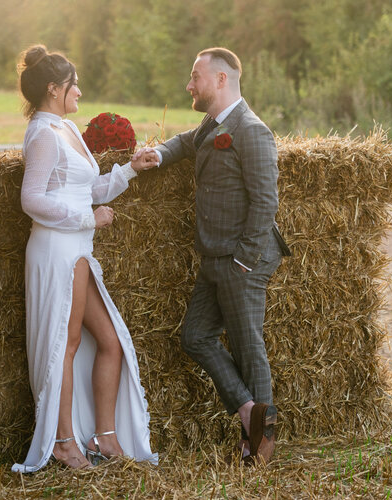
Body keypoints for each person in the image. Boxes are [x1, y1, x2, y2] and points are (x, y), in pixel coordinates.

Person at [135, 47, 290, 465]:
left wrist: (244, 259)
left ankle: (262, 443)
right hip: (214, 256)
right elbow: (186, 142)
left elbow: (265, 202)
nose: (189, 85)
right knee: (195, 337)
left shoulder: (252, 130)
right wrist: (160, 154)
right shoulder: (213, 124)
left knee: (247, 346)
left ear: (221, 80)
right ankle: (249, 411)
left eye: (195, 77)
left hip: (241, 259)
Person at [11, 45, 160, 473]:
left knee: (109, 341)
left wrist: (130, 169)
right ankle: (61, 442)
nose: (80, 89)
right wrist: (87, 219)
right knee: (68, 344)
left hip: (77, 249)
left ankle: (105, 437)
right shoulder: (42, 133)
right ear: (54, 89)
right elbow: (31, 199)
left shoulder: (66, 129)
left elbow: (88, 188)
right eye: (73, 83)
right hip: (59, 251)